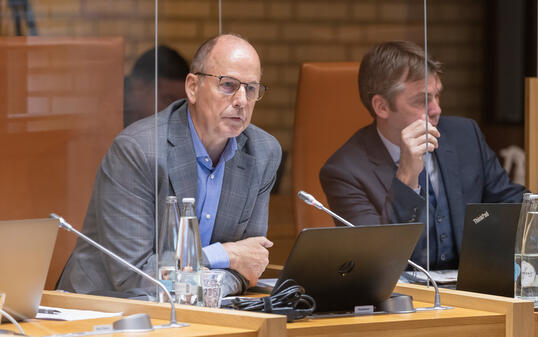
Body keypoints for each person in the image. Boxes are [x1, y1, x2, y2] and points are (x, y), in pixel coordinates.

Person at [58, 34, 282, 298]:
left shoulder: (263, 152)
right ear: (193, 87)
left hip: (195, 312)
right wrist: (224, 255)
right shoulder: (138, 150)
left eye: (251, 88)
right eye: (228, 85)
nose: (241, 101)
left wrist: (214, 276)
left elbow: (249, 264)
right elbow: (136, 275)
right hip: (102, 308)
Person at [319, 41, 527, 270]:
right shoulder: (344, 170)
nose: (436, 109)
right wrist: (406, 177)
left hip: (470, 287)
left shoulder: (465, 136)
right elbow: (373, 258)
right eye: (422, 100)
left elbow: (509, 203)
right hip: (402, 297)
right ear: (381, 107)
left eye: (437, 95)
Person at [123, 45, 190, 127]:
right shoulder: (109, 118)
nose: (177, 113)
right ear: (138, 88)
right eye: (168, 100)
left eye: (182, 105)